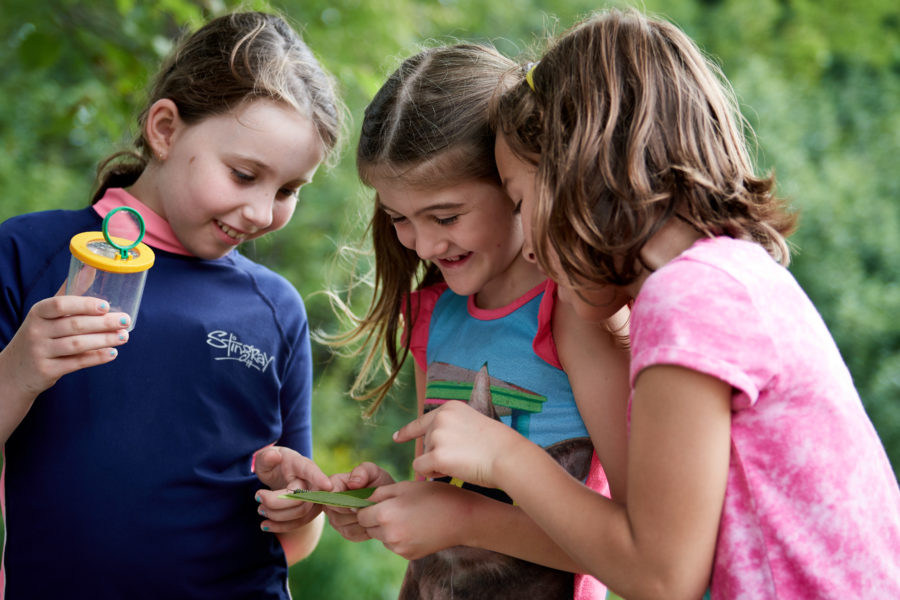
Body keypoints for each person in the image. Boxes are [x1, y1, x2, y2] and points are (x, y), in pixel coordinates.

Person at [393, 8, 900, 599]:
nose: (528, 244)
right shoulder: (725, 280)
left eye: (520, 201)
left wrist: (505, 456)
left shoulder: (687, 298)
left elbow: (664, 577)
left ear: (576, 171)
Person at [258, 44, 629, 599]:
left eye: (447, 216)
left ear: (516, 184)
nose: (425, 243)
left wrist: (458, 519)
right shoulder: (436, 312)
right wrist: (383, 504)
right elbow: (445, 494)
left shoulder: (578, 312)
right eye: (400, 219)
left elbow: (636, 545)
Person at [0, 11, 343, 598]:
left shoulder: (276, 308)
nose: (263, 214)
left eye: (287, 191)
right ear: (165, 129)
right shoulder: (28, 254)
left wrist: (298, 508)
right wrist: (19, 372)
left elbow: (296, 542)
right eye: (243, 175)